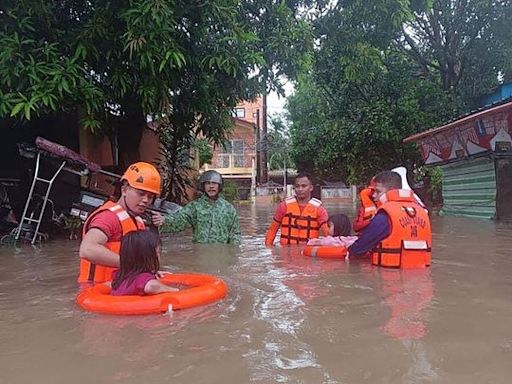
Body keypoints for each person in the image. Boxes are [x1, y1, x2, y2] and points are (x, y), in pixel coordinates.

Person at [78, 162, 166, 284]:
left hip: (120, 289)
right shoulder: (108, 217)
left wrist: (148, 271)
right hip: (97, 291)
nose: (146, 200)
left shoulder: (137, 221)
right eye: (140, 193)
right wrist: (131, 265)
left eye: (150, 196)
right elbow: (87, 249)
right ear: (124, 190)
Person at [347, 171, 432, 268]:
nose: (374, 195)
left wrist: (347, 252)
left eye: (378, 191)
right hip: (420, 276)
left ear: (390, 191)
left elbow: (358, 249)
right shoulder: (422, 213)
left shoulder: (385, 216)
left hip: (390, 277)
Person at [161, 170, 241, 244]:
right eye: (208, 183)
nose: (211, 186)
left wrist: (232, 254)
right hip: (200, 254)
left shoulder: (228, 209)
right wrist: (163, 221)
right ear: (203, 186)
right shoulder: (195, 207)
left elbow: (235, 234)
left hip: (222, 254)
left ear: (219, 186)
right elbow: (179, 220)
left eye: (214, 183)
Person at [265, 172, 330, 246]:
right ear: (294, 188)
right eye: (297, 186)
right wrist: (268, 248)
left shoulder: (319, 210)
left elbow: (327, 234)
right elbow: (272, 230)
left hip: (308, 253)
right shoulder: (283, 206)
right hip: (286, 253)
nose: (300, 189)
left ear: (311, 188)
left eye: (304, 186)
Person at [111, 230, 178, 295]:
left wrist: (153, 272)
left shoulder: (119, 275)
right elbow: (152, 286)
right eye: (158, 252)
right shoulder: (142, 278)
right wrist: (174, 290)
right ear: (147, 257)